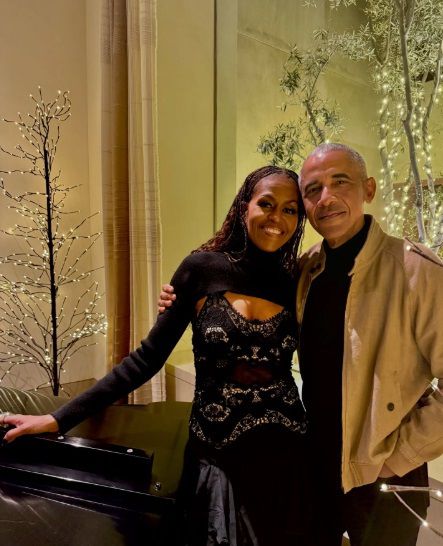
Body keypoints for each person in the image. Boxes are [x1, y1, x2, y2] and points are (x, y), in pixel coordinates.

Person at [3, 165, 309, 546]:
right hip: (217, 460)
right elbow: (145, 360)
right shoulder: (201, 270)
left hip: (286, 455)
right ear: (245, 204)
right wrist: (58, 418)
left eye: (290, 209)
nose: (277, 217)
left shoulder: (299, 280)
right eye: (266, 203)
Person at [159, 143, 443, 546]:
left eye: (340, 182)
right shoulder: (306, 269)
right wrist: (182, 298)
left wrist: (397, 458)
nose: (325, 198)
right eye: (312, 190)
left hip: (384, 477)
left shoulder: (416, 271)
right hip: (314, 464)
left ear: (369, 189)